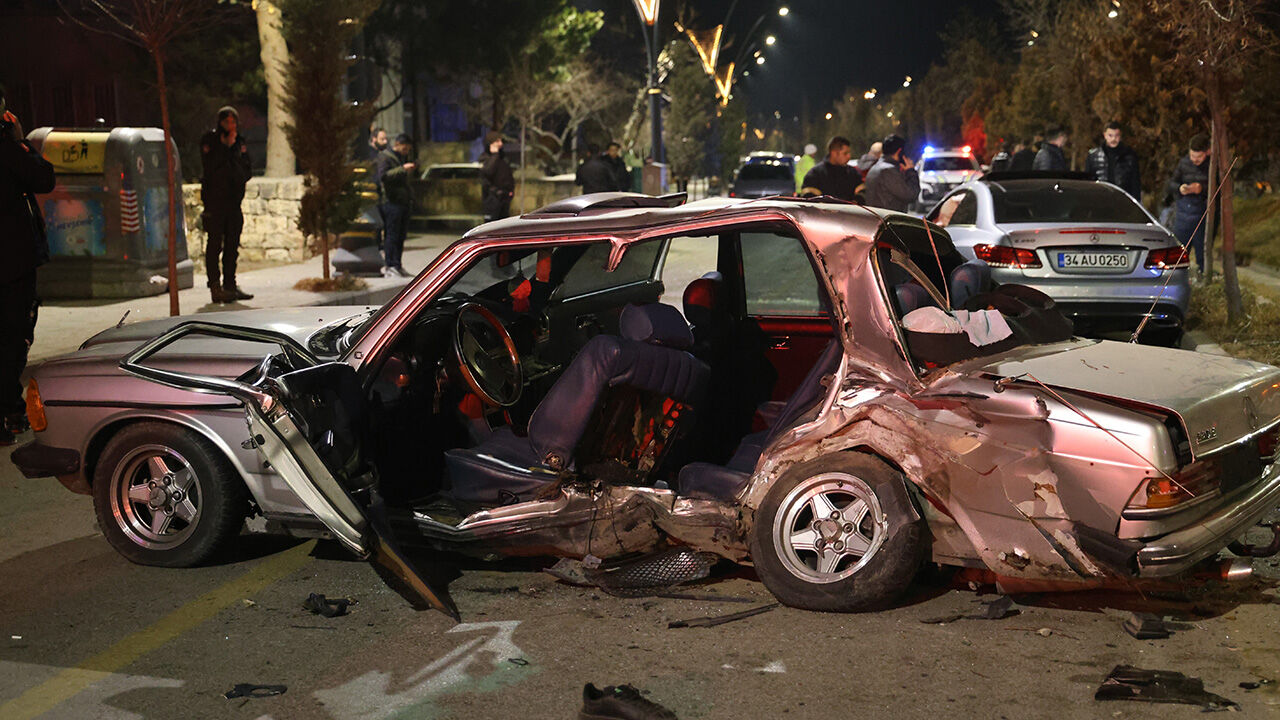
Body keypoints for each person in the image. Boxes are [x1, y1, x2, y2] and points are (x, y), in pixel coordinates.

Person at [0, 86, 54, 445]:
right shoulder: (8, 150)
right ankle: (8, 413)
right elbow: (43, 178)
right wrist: (19, 140)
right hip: (11, 264)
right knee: (12, 336)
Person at [200, 106, 253, 302]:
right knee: (215, 246)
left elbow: (247, 170)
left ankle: (230, 285)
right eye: (226, 122)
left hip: (233, 203)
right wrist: (224, 148)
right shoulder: (211, 141)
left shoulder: (239, 142)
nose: (230, 126)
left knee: (232, 246)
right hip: (215, 204)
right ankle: (215, 287)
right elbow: (211, 168)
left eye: (233, 122)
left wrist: (233, 151)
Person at [1168, 134, 1212, 275]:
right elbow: (1172, 183)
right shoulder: (1184, 163)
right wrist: (1180, 188)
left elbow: (1220, 187)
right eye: (1192, 156)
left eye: (1198, 157)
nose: (1195, 160)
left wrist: (1202, 189)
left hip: (1203, 211)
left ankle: (1203, 273)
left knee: (1202, 248)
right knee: (1179, 248)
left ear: (1207, 152)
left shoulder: (1212, 166)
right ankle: (1176, 274)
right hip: (1183, 212)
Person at [374, 134, 415, 277]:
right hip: (391, 202)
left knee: (400, 236)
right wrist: (402, 169)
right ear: (397, 144)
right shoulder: (385, 157)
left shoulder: (400, 157)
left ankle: (397, 264)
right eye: (405, 148)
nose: (406, 151)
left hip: (403, 202)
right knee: (392, 235)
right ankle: (390, 265)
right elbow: (383, 176)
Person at [1085, 121, 1142, 200]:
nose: (1113, 139)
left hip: (1122, 200)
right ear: (1104, 135)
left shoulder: (1130, 156)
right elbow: (1088, 182)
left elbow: (1135, 183)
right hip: (1099, 199)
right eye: (1110, 135)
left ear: (1120, 136)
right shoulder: (1094, 156)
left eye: (1117, 135)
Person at [863, 134, 920, 212]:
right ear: (899, 151)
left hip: (878, 218)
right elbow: (910, 195)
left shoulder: (875, 167)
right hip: (889, 220)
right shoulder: (889, 171)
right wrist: (910, 171)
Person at [799, 136, 859, 200]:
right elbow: (809, 200)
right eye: (845, 153)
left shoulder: (853, 173)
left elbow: (861, 196)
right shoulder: (815, 174)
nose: (849, 156)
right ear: (834, 153)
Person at [479, 131, 514, 222]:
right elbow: (488, 172)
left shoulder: (502, 158)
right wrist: (494, 155)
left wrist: (510, 190)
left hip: (504, 197)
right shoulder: (486, 158)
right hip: (492, 198)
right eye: (497, 141)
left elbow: (508, 175)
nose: (500, 144)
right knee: (490, 224)